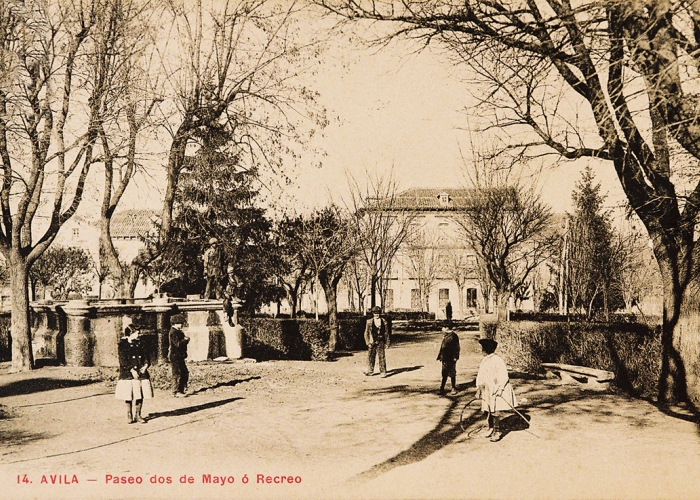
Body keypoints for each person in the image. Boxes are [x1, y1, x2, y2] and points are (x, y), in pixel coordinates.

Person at [476, 338, 517, 442]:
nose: (482, 351)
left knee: (495, 410)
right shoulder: (485, 360)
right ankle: (491, 428)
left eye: (483, 349)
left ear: (486, 350)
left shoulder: (497, 360)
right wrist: (479, 388)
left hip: (496, 388)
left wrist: (500, 388)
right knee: (488, 408)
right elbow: (481, 375)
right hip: (487, 388)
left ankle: (497, 431)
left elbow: (503, 376)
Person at [115, 323, 153, 424]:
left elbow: (147, 357)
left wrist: (145, 366)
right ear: (130, 333)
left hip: (141, 373)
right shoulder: (123, 345)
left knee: (140, 394)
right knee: (129, 394)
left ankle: (138, 414)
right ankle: (129, 414)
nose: (138, 335)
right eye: (136, 333)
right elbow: (123, 360)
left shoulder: (141, 344)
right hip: (128, 374)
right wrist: (131, 370)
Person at [364, 306, 390, 377]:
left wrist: (387, 342)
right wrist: (368, 342)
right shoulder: (369, 321)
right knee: (371, 356)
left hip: (380, 341)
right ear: (373, 313)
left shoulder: (384, 321)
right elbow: (366, 333)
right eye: (375, 313)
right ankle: (370, 370)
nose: (377, 314)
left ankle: (383, 371)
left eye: (378, 313)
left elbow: (386, 333)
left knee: (381, 356)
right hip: (372, 341)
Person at [168, 313, 190, 397]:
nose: (182, 325)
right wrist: (185, 340)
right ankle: (176, 391)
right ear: (175, 323)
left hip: (179, 356)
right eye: (180, 323)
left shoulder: (177, 331)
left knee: (184, 372)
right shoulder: (174, 332)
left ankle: (181, 389)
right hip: (175, 356)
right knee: (177, 373)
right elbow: (177, 344)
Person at [437, 325, 460, 395]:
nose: (442, 329)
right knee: (444, 373)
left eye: (443, 328)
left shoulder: (453, 336)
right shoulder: (447, 335)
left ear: (447, 328)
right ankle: (442, 388)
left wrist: (455, 357)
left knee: (452, 373)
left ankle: (453, 388)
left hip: (450, 358)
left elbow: (457, 348)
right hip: (445, 358)